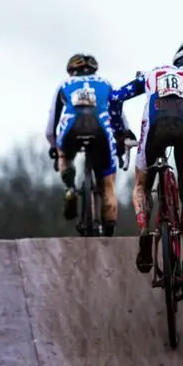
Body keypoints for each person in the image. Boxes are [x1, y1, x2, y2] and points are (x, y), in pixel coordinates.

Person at [110, 38, 183, 286]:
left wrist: (120, 131)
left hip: (154, 128)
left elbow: (116, 98)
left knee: (141, 184)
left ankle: (143, 229)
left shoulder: (153, 73)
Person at [45, 53, 121, 236]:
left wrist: (55, 147)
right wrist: (122, 138)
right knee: (108, 182)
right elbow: (120, 115)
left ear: (71, 71)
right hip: (101, 131)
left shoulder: (64, 85)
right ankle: (109, 211)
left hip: (71, 131)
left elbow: (51, 125)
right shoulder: (107, 84)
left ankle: (70, 188)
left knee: (64, 155)